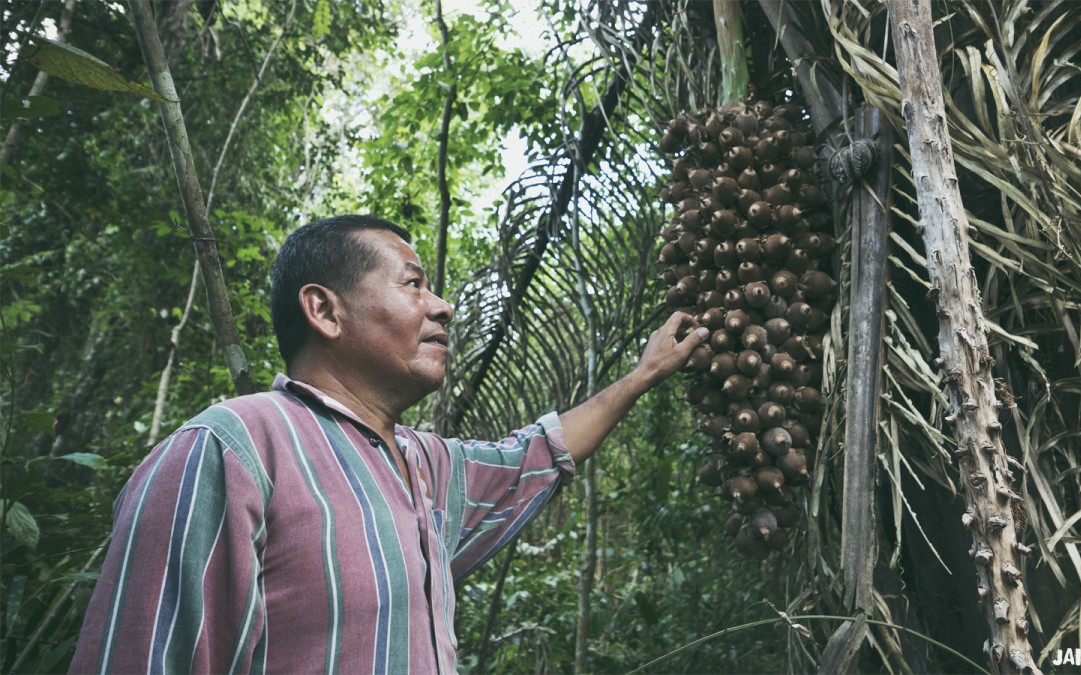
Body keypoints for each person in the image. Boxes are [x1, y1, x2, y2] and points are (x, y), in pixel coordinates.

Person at [69, 215, 708, 674]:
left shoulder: (426, 466)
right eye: (413, 284)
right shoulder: (229, 449)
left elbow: (536, 454)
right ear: (325, 311)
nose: (445, 307)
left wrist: (644, 375)